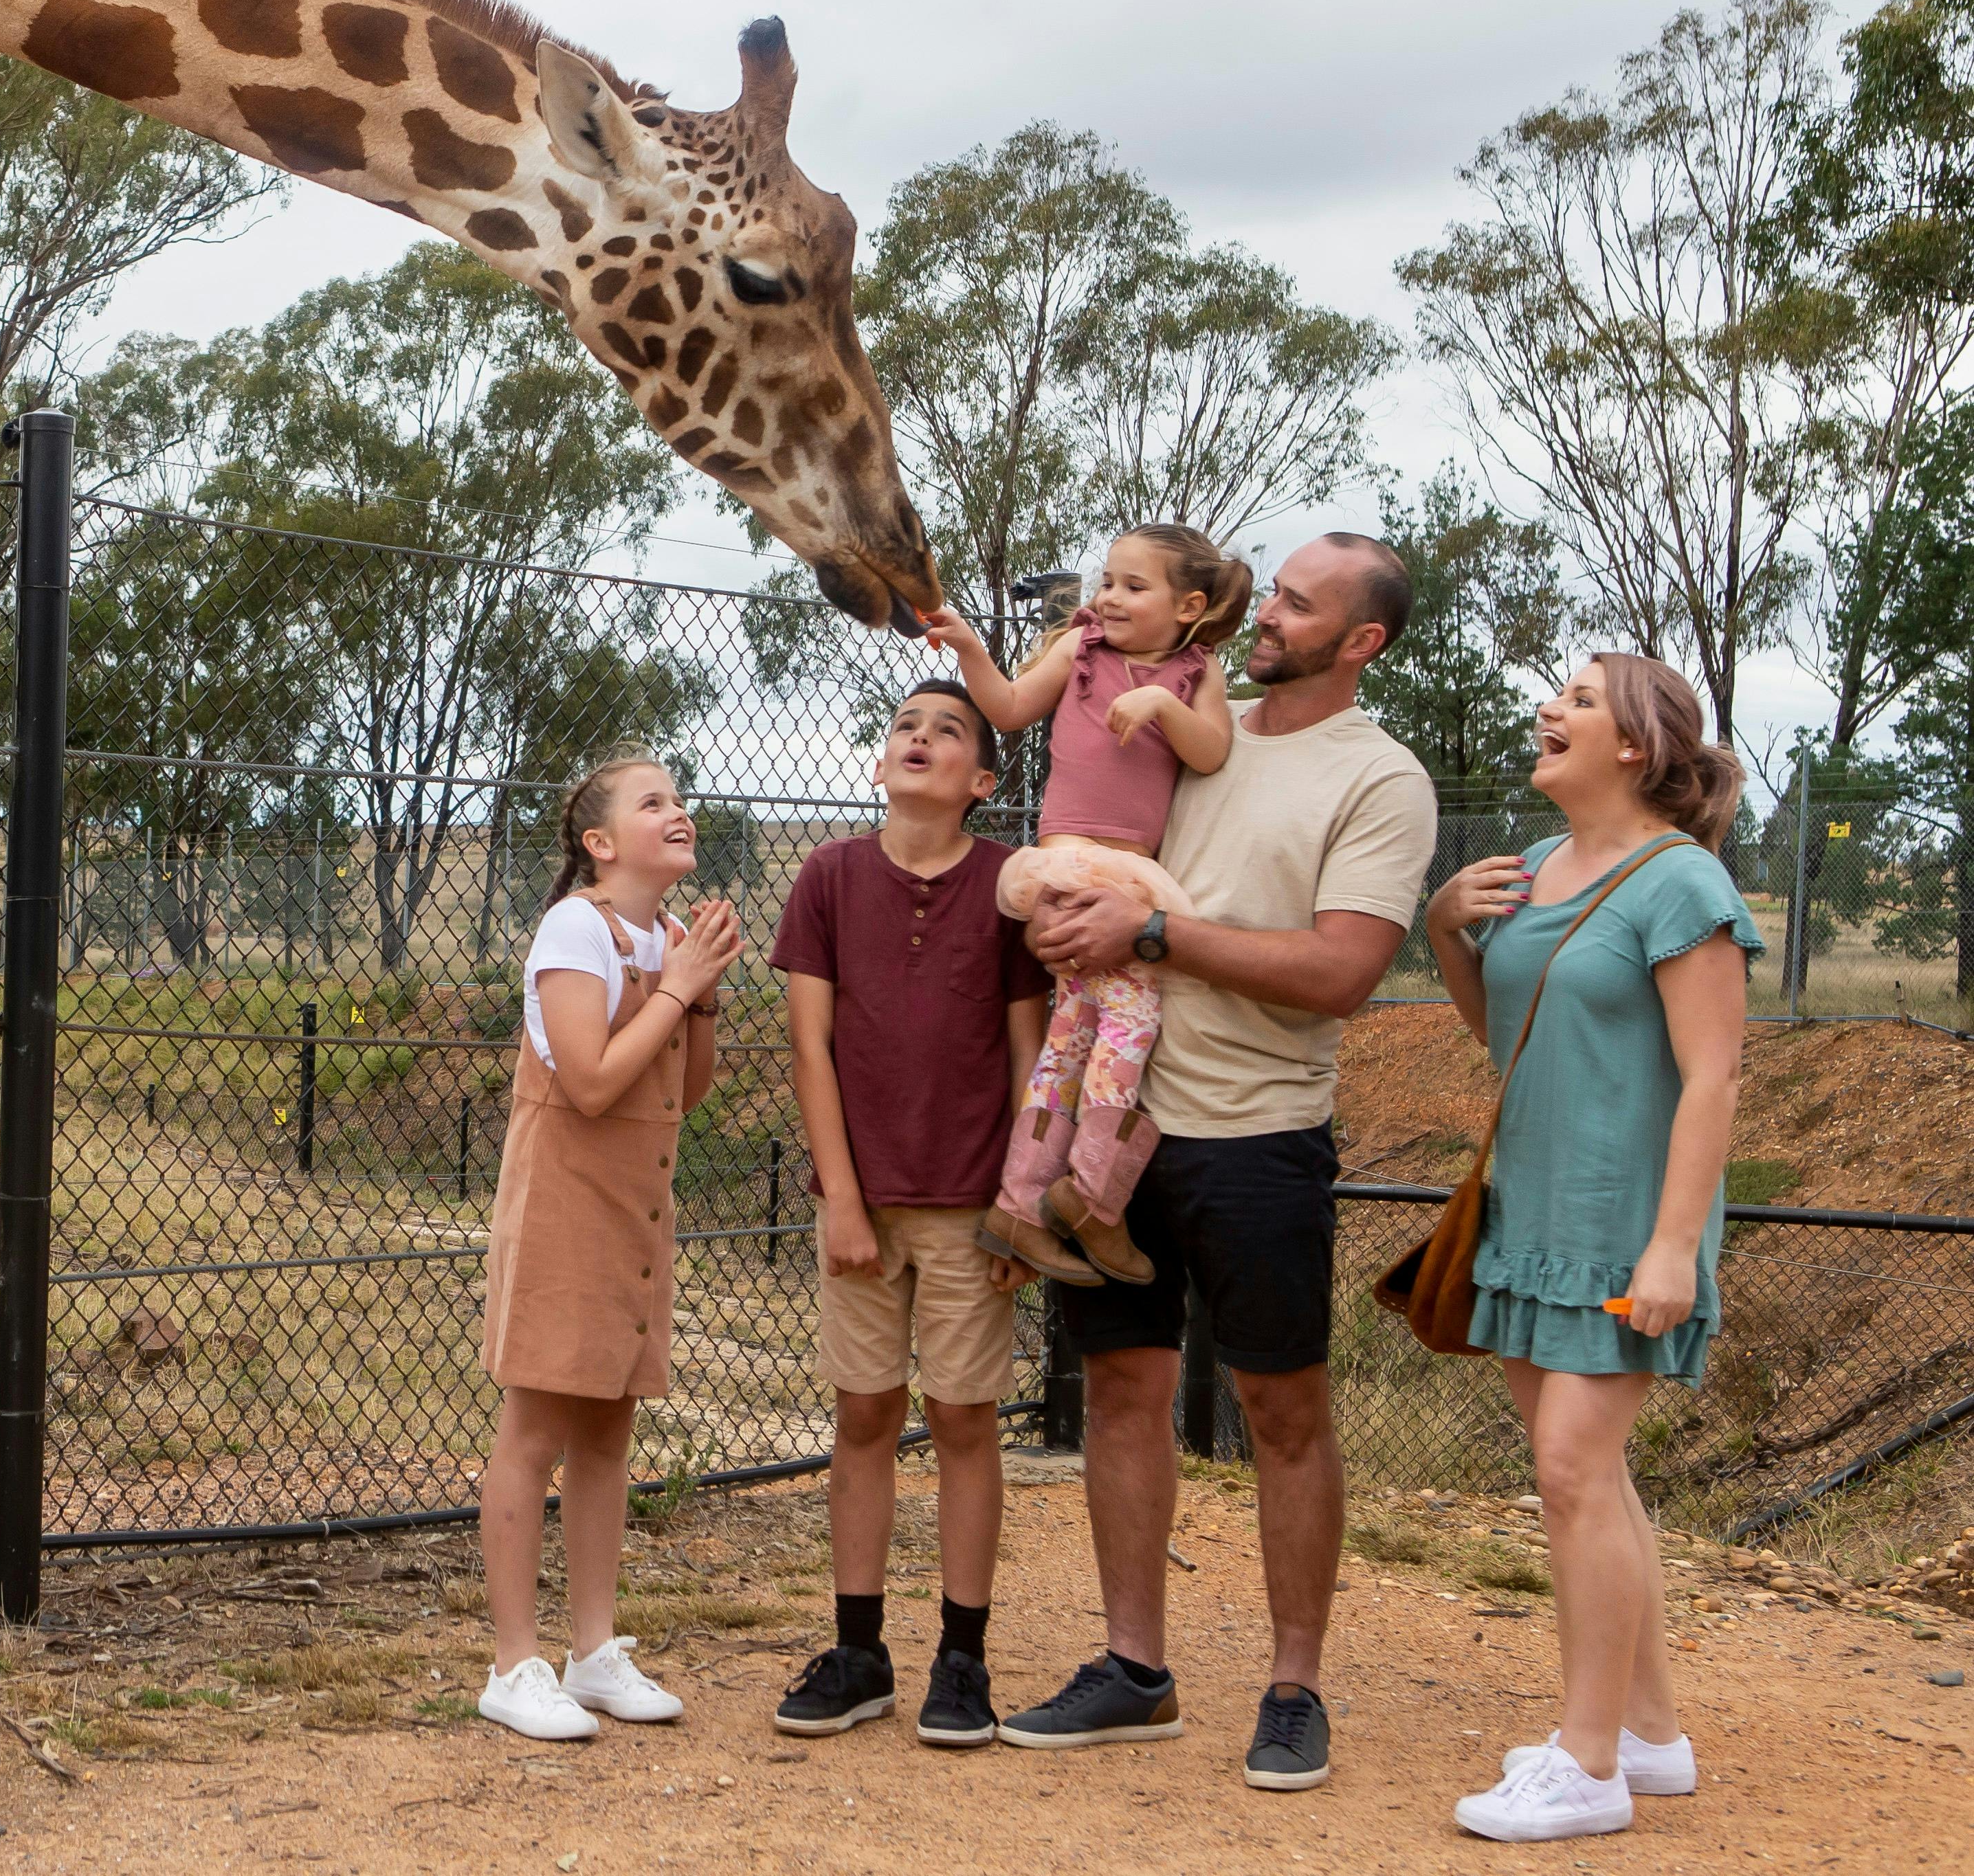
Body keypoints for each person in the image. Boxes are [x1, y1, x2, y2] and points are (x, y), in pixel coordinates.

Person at [999, 535, 1439, 1795]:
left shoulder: (1379, 776)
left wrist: (1152, 932)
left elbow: (1340, 971)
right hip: (1115, 1128)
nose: (1269, 613)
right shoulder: (1186, 721)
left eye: (1298, 603)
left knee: (1282, 1414)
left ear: (1361, 641)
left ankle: (1293, 1688)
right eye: (1275, 591)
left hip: (1257, 1131)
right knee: (1119, 1393)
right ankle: (1133, 1667)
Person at [1425, 655, 1752, 1843]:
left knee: (1569, 1469)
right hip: (1534, 1213)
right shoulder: (1531, 870)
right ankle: (1650, 1736)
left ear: (1633, 745)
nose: (1545, 709)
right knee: (1590, 1476)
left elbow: (1713, 1077)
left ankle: (1588, 1762)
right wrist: (1445, 930)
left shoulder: (1682, 882)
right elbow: (1506, 1035)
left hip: (1625, 1224)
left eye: (1575, 697)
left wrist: (1672, 1248)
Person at [765, 682, 1052, 1748]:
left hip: (971, 1206)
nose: (919, 736)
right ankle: (858, 1653)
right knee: (863, 1416)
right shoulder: (829, 876)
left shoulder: (1006, 888)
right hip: (861, 1205)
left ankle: (961, 1658)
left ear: (981, 780)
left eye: (948, 729)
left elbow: (1027, 1052)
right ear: (880, 761)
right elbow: (808, 1046)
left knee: (965, 1420)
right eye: (903, 725)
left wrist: (1022, 1201)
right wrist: (841, 1195)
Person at [475, 750, 743, 1741]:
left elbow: (686, 1088)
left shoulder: (664, 936)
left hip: (633, 1213)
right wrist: (678, 987)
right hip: (564, 1208)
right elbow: (588, 1082)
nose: (678, 811)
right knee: (534, 1430)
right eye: (652, 801)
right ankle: (513, 1664)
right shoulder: (574, 927)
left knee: (607, 1433)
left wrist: (697, 988)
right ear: (599, 842)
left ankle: (591, 1653)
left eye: (678, 797)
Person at [924, 525, 1249, 1287]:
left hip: (1123, 878)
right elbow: (1008, 708)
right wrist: (969, 647)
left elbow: (1211, 751)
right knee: (1131, 1026)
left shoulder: (1196, 672)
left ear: (1188, 606)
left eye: (1133, 586)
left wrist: (1160, 703)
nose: (1109, 597)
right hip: (1079, 866)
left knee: (1069, 1038)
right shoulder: (1081, 648)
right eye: (1108, 581)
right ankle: (1095, 1197)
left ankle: (1020, 1203)